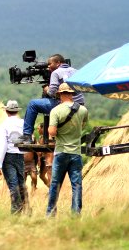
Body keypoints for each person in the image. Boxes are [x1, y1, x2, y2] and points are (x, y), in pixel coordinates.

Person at [15, 54, 85, 144]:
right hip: (79, 105)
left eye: (50, 64)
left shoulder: (56, 73)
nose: (48, 66)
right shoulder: (76, 71)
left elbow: (51, 93)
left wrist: (46, 89)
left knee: (32, 104)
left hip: (63, 105)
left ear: (58, 63)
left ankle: (27, 135)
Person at [46, 83, 88, 217]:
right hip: (76, 153)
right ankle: (76, 214)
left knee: (55, 185)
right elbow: (82, 125)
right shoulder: (83, 110)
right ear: (71, 94)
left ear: (60, 94)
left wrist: (51, 130)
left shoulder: (56, 111)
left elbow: (52, 132)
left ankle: (51, 214)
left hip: (61, 152)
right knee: (76, 185)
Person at [0, 100, 29, 214]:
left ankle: (16, 210)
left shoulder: (4, 125)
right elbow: (27, 139)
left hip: (8, 156)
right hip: (20, 155)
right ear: (16, 111)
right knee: (21, 183)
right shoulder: (23, 122)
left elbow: (3, 145)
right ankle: (26, 208)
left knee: (13, 184)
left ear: (6, 111)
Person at [37, 123, 53, 187]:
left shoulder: (49, 137)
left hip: (49, 158)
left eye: (38, 129)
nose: (37, 130)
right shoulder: (41, 137)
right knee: (41, 175)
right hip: (44, 158)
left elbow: (51, 147)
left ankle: (52, 191)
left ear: (42, 128)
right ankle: (51, 189)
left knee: (49, 174)